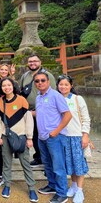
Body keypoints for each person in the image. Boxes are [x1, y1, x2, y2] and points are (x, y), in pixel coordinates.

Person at [0, 78, 38, 202]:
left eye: (9, 85)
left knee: (25, 163)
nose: (7, 87)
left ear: (13, 86)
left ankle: (31, 187)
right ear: (1, 88)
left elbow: (28, 119)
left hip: (21, 136)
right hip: (5, 136)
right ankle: (7, 185)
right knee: (7, 163)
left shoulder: (22, 100)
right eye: (4, 85)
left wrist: (29, 137)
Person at [34, 71, 72, 203]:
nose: (40, 83)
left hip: (55, 137)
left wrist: (56, 131)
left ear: (48, 81)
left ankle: (62, 193)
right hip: (42, 137)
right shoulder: (38, 97)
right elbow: (40, 113)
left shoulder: (56, 95)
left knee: (58, 165)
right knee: (48, 164)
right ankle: (52, 185)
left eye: (42, 80)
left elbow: (68, 115)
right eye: (37, 81)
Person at [57, 75, 90, 203]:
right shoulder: (56, 98)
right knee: (69, 164)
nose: (63, 86)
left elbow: (86, 118)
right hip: (63, 136)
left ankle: (80, 190)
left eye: (66, 84)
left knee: (79, 163)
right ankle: (74, 185)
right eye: (61, 84)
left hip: (76, 136)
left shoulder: (77, 99)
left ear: (71, 86)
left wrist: (85, 134)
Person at [19, 54, 56, 167]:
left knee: (44, 134)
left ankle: (48, 160)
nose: (32, 63)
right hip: (28, 111)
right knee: (33, 135)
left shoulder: (47, 75)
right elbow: (20, 91)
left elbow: (53, 92)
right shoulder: (25, 76)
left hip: (43, 110)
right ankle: (38, 156)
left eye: (35, 61)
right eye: (30, 61)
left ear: (40, 62)